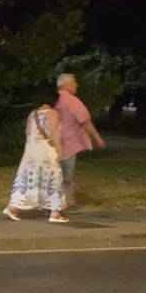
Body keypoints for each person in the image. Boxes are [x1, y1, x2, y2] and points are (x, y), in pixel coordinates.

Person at [4, 101, 68, 223]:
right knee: (53, 178)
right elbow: (54, 133)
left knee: (27, 179)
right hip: (46, 150)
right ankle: (55, 212)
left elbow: (28, 133)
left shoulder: (32, 114)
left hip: (31, 150)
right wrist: (59, 149)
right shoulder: (53, 114)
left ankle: (13, 207)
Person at [54, 73, 106, 208]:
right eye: (74, 82)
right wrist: (97, 139)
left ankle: (60, 201)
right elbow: (85, 121)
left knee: (58, 174)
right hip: (68, 143)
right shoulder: (72, 101)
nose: (77, 85)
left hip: (55, 142)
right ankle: (64, 202)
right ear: (67, 85)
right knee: (67, 175)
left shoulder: (56, 100)